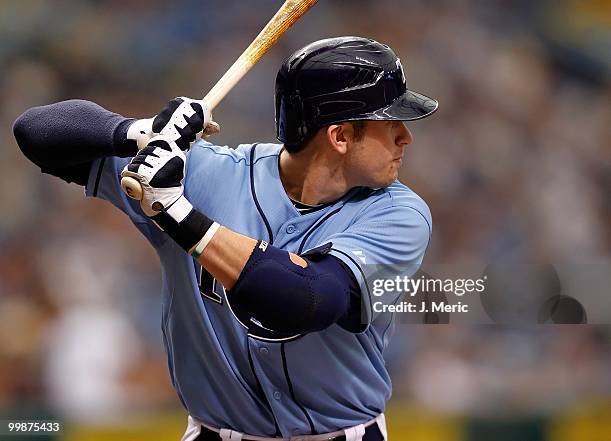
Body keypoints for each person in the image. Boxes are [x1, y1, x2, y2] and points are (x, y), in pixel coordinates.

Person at [14, 36, 438, 441]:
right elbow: (35, 132)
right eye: (390, 122)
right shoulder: (205, 175)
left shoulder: (399, 214)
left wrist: (176, 212)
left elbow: (306, 300)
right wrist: (139, 132)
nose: (406, 136)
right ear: (340, 136)